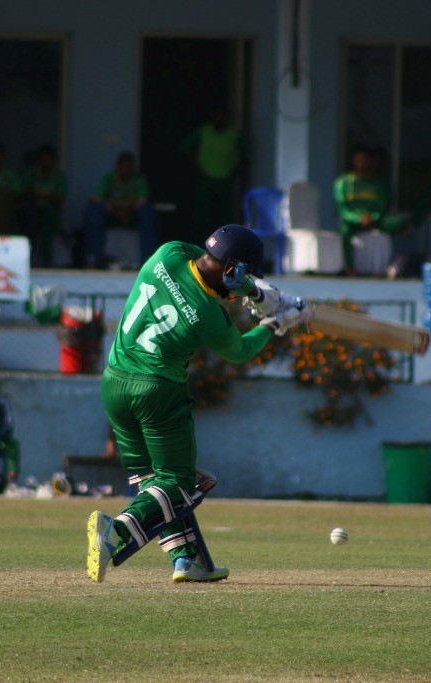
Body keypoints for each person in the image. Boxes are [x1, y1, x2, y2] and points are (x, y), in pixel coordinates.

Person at [86, 224, 307, 584]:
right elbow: (241, 351)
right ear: (232, 269)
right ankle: (115, 533)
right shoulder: (208, 315)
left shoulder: (168, 253)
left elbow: (211, 263)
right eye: (243, 275)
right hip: (156, 391)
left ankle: (187, 561)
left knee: (153, 484)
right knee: (179, 482)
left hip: (113, 384)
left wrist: (252, 290)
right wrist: (274, 322)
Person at [333, 146, 406, 275]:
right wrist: (358, 218)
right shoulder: (343, 182)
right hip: (353, 222)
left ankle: (387, 267)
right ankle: (350, 268)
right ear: (353, 160)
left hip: (373, 221)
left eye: (365, 159)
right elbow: (342, 208)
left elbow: (381, 207)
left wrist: (372, 218)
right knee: (345, 230)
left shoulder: (376, 184)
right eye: (359, 159)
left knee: (400, 223)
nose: (363, 162)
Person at [82, 151, 159, 268]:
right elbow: (98, 198)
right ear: (118, 166)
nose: (125, 169)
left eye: (128, 166)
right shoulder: (109, 178)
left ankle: (147, 260)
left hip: (132, 215)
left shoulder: (138, 179)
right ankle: (93, 259)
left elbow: (143, 199)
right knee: (94, 210)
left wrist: (128, 208)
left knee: (147, 212)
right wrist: (116, 209)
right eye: (123, 166)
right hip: (112, 214)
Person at [182, 106, 247, 241]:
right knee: (201, 216)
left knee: (224, 219)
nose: (219, 119)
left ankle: (224, 246)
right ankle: (198, 245)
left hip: (225, 182)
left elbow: (246, 155)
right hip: (205, 180)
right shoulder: (203, 132)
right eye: (217, 115)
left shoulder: (234, 135)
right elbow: (185, 147)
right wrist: (196, 168)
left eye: (222, 115)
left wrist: (235, 172)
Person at [17, 144, 67, 267]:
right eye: (43, 159)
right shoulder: (30, 174)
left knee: (47, 217)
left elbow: (59, 201)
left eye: (49, 159)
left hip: (50, 215)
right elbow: (22, 195)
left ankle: (48, 262)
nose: (46, 162)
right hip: (30, 212)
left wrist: (40, 195)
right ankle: (64, 234)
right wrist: (46, 195)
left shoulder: (59, 176)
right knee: (33, 217)